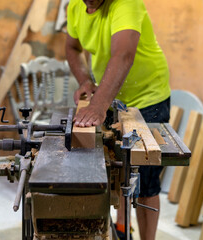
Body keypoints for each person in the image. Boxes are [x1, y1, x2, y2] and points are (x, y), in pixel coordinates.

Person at [65, 0, 171, 239]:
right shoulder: (74, 7)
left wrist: (97, 106)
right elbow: (71, 47)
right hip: (111, 93)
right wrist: (85, 81)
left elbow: (123, 55)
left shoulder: (126, 3)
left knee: (144, 181)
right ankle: (123, 229)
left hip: (147, 98)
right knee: (118, 172)